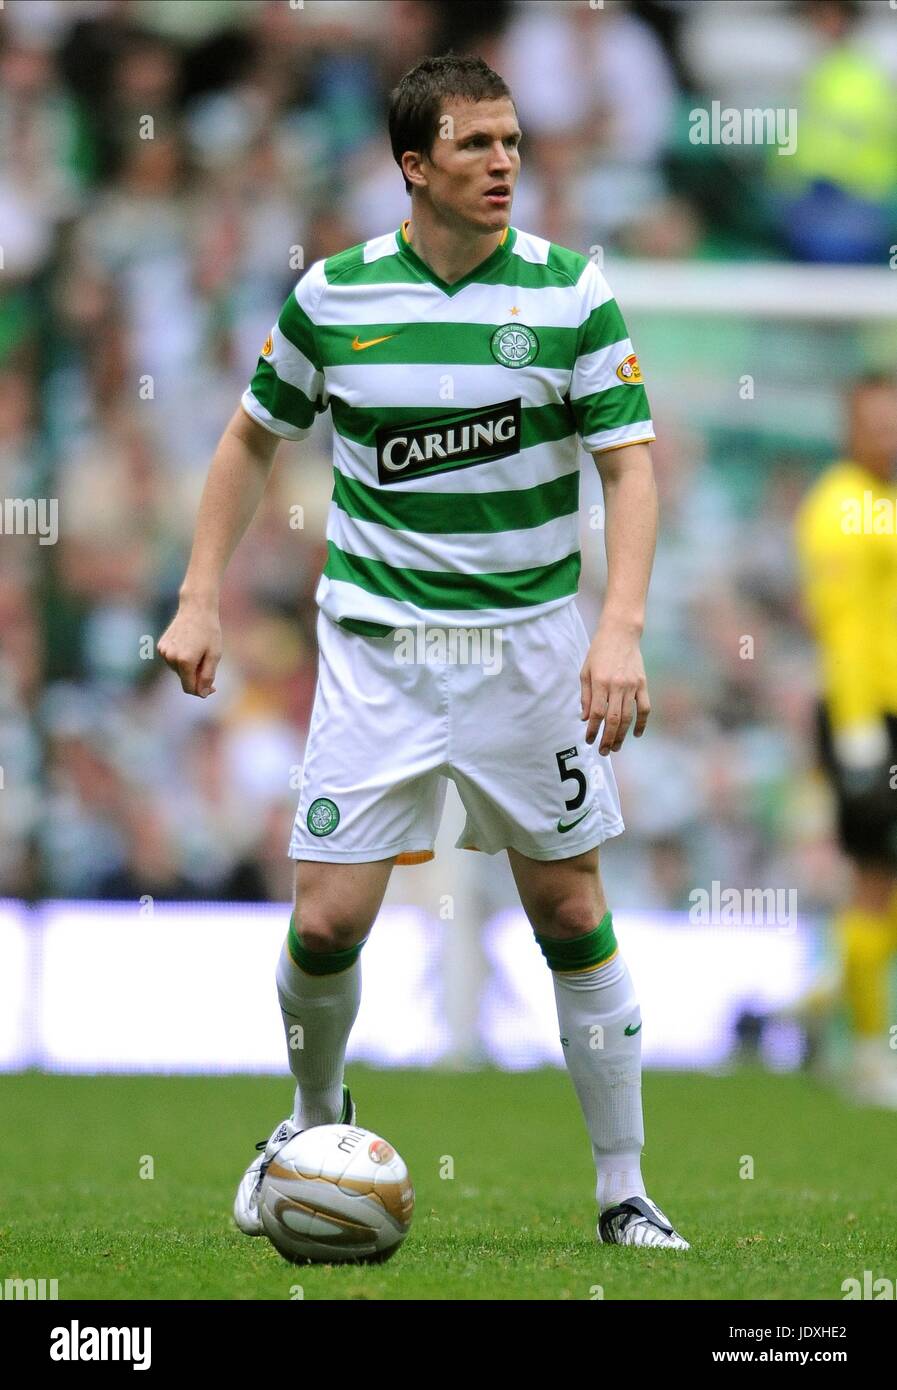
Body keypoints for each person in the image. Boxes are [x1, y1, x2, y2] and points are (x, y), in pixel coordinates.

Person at [158, 54, 688, 1250]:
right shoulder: (335, 297)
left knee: (568, 905)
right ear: (413, 166)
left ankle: (624, 1189)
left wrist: (620, 625)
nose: (504, 163)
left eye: (512, 142)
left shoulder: (570, 293)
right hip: (379, 651)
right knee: (328, 924)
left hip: (529, 652)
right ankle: (308, 1122)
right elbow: (250, 443)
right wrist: (201, 596)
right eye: (475, 146)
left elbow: (630, 465)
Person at [795, 376, 897, 1106]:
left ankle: (826, 1004)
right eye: (874, 422)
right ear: (849, 427)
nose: (887, 435)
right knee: (875, 885)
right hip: (868, 722)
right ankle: (866, 1053)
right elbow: (840, 626)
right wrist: (859, 733)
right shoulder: (839, 507)